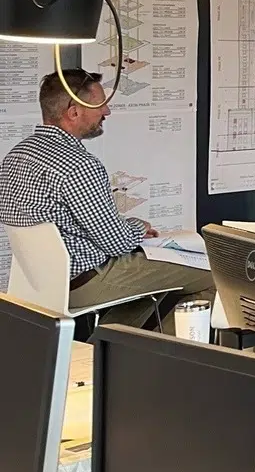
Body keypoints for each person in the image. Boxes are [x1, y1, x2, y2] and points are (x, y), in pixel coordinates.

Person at [0, 69, 214, 328]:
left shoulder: (16, 155)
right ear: (74, 112)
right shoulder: (79, 165)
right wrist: (138, 227)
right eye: (100, 104)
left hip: (39, 282)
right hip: (84, 281)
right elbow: (117, 243)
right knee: (215, 277)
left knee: (149, 285)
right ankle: (159, 352)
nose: (107, 112)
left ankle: (112, 348)